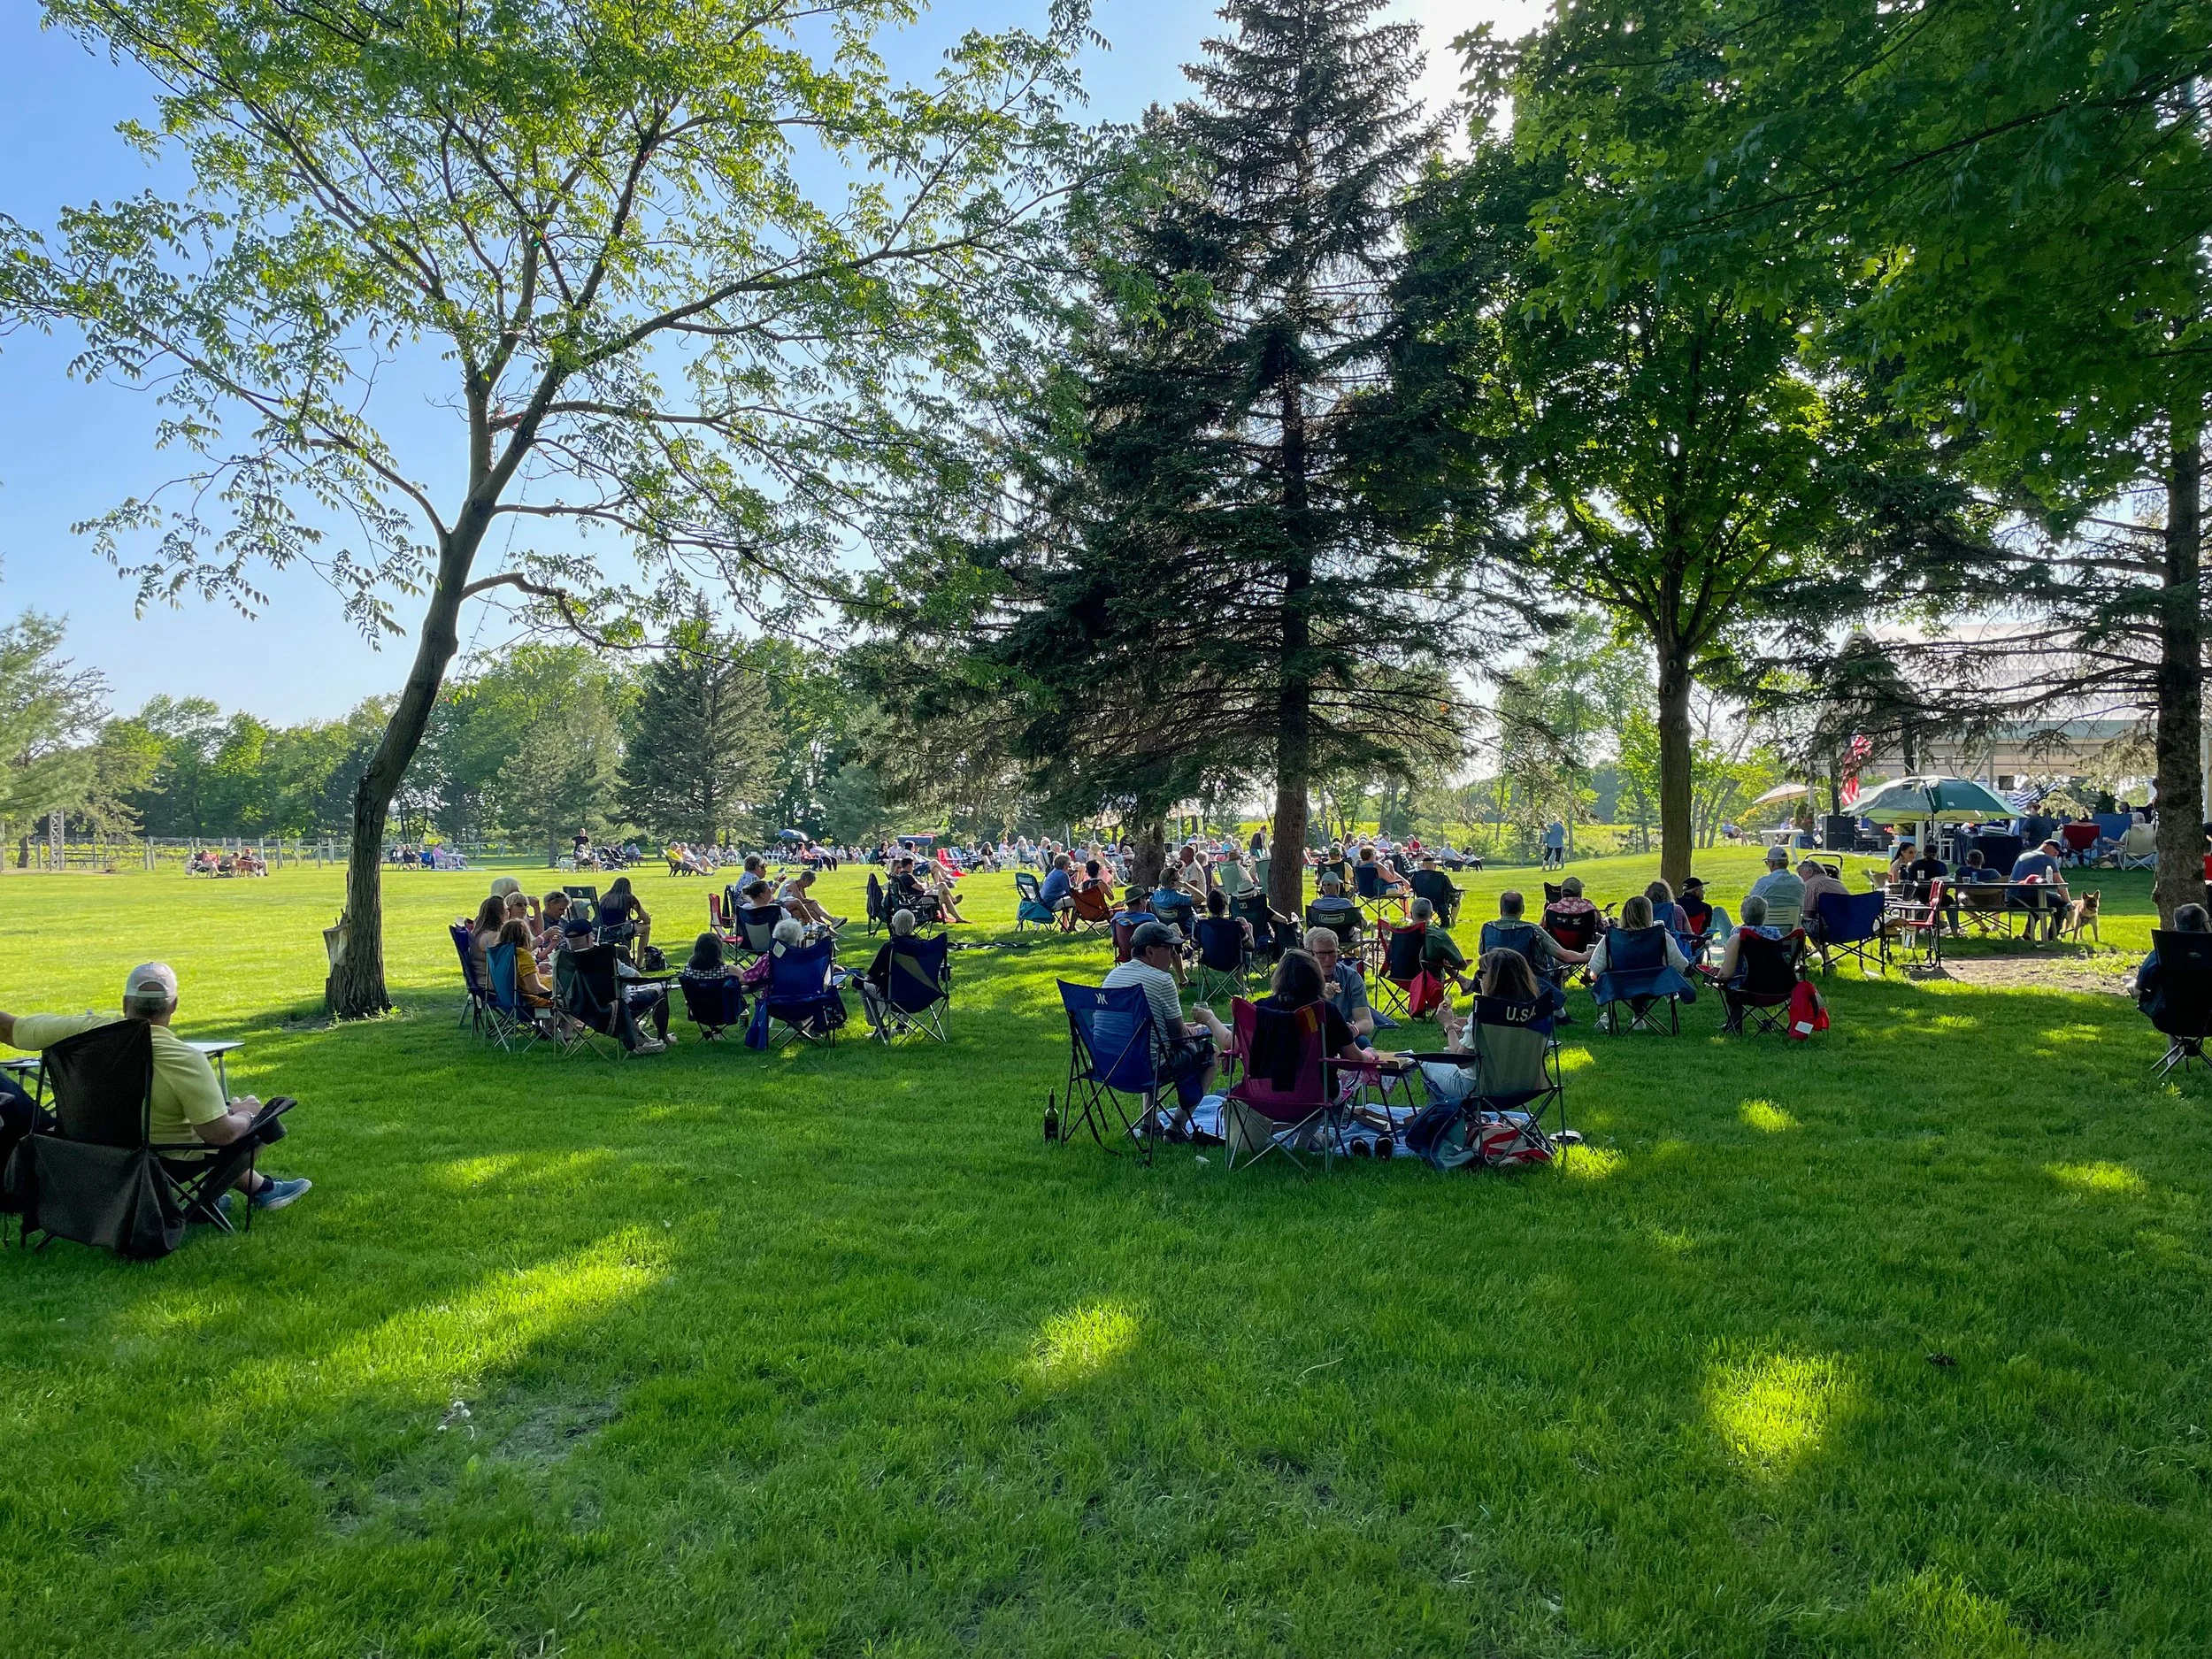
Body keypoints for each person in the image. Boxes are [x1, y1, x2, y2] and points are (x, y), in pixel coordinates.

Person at [0, 963, 310, 1212]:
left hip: (85, 1153)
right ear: (173, 1005)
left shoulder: (82, 1030)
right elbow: (219, 1134)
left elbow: (12, 1030)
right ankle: (227, 1195)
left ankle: (257, 1191)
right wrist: (247, 1115)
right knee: (258, 1121)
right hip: (161, 1162)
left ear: (124, 1004)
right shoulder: (185, 1059)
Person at [1102, 920, 1233, 1118]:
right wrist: (1205, 1027)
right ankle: (1177, 1127)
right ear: (1150, 951)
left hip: (1110, 1065)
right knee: (1209, 1051)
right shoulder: (1162, 980)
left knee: (1150, 1044)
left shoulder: (1113, 976)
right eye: (1169, 948)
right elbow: (1178, 1035)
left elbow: (1148, 1028)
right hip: (1147, 1069)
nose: (1173, 954)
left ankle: (1149, 1122)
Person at [555, 912, 669, 1052]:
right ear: (587, 937)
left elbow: (559, 987)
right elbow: (635, 977)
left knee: (621, 996)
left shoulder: (561, 958)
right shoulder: (602, 956)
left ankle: (640, 1037)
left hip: (579, 1008)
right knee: (662, 988)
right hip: (611, 1009)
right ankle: (663, 1038)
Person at [1588, 893, 1695, 991]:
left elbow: (1596, 968)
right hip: (1656, 985)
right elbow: (1681, 965)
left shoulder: (1612, 938)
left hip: (1620, 987)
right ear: (1649, 914)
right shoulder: (1661, 936)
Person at [2135, 902, 2210, 1023]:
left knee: (2170, 1004)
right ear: (2206, 925)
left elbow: (2139, 989)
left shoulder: (2162, 952)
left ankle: (2176, 1042)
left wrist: (2131, 985)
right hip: (2209, 1018)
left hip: (2169, 1017)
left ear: (2176, 927)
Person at [1303, 927, 1377, 1043]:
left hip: (1341, 1037)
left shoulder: (1350, 977)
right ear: (1308, 953)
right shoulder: (1298, 977)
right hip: (1308, 1037)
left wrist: (1354, 1030)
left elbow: (1365, 1020)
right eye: (1321, 954)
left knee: (1363, 1042)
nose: (1328, 959)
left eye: (1333, 953)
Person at [1713, 894, 1785, 988]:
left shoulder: (1738, 935)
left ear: (1742, 914)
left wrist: (1715, 979)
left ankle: (1711, 941)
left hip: (1745, 986)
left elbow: (1725, 975)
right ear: (1765, 914)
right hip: (1776, 985)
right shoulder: (1775, 933)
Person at [2008, 837, 2070, 940]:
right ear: (2047, 846)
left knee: (2038, 903)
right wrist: (2069, 903)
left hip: (2012, 897)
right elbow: (2059, 882)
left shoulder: (2023, 856)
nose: (2056, 855)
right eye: (2056, 851)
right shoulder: (2046, 858)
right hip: (2029, 896)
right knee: (2061, 904)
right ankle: (2052, 937)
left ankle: (2028, 933)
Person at [496, 918, 554, 1010]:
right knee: (569, 1002)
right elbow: (535, 989)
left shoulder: (500, 954)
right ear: (525, 936)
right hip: (529, 1003)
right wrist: (556, 998)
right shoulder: (522, 954)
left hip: (508, 1002)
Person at [1748, 844, 1807, 933]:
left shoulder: (1763, 883)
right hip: (1790, 936)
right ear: (1786, 863)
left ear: (1772, 863)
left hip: (1764, 935)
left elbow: (1751, 903)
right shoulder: (1799, 883)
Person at [595, 876, 652, 954]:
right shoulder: (629, 898)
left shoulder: (604, 898)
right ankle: (640, 961)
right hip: (618, 930)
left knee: (630, 927)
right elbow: (647, 920)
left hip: (602, 931)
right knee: (647, 927)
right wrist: (643, 916)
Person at [776, 869, 842, 931]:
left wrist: (805, 893)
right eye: (810, 883)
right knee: (814, 904)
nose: (809, 885)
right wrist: (812, 900)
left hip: (793, 906)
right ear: (805, 880)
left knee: (813, 912)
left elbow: (803, 901)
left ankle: (828, 930)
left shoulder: (800, 887)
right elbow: (801, 900)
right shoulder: (791, 884)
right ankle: (832, 922)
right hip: (784, 906)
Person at [467, 894, 508, 986]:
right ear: (500, 914)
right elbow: (505, 963)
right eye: (506, 910)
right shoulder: (492, 937)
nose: (508, 913)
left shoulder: (478, 932)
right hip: (491, 984)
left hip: (483, 980)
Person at [1041, 853, 1076, 929]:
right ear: (1064, 865)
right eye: (1069, 864)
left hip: (1043, 902)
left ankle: (1064, 925)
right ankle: (1071, 926)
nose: (1070, 866)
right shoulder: (1063, 875)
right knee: (1078, 901)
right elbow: (1070, 892)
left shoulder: (1053, 872)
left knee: (1068, 902)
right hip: (1052, 903)